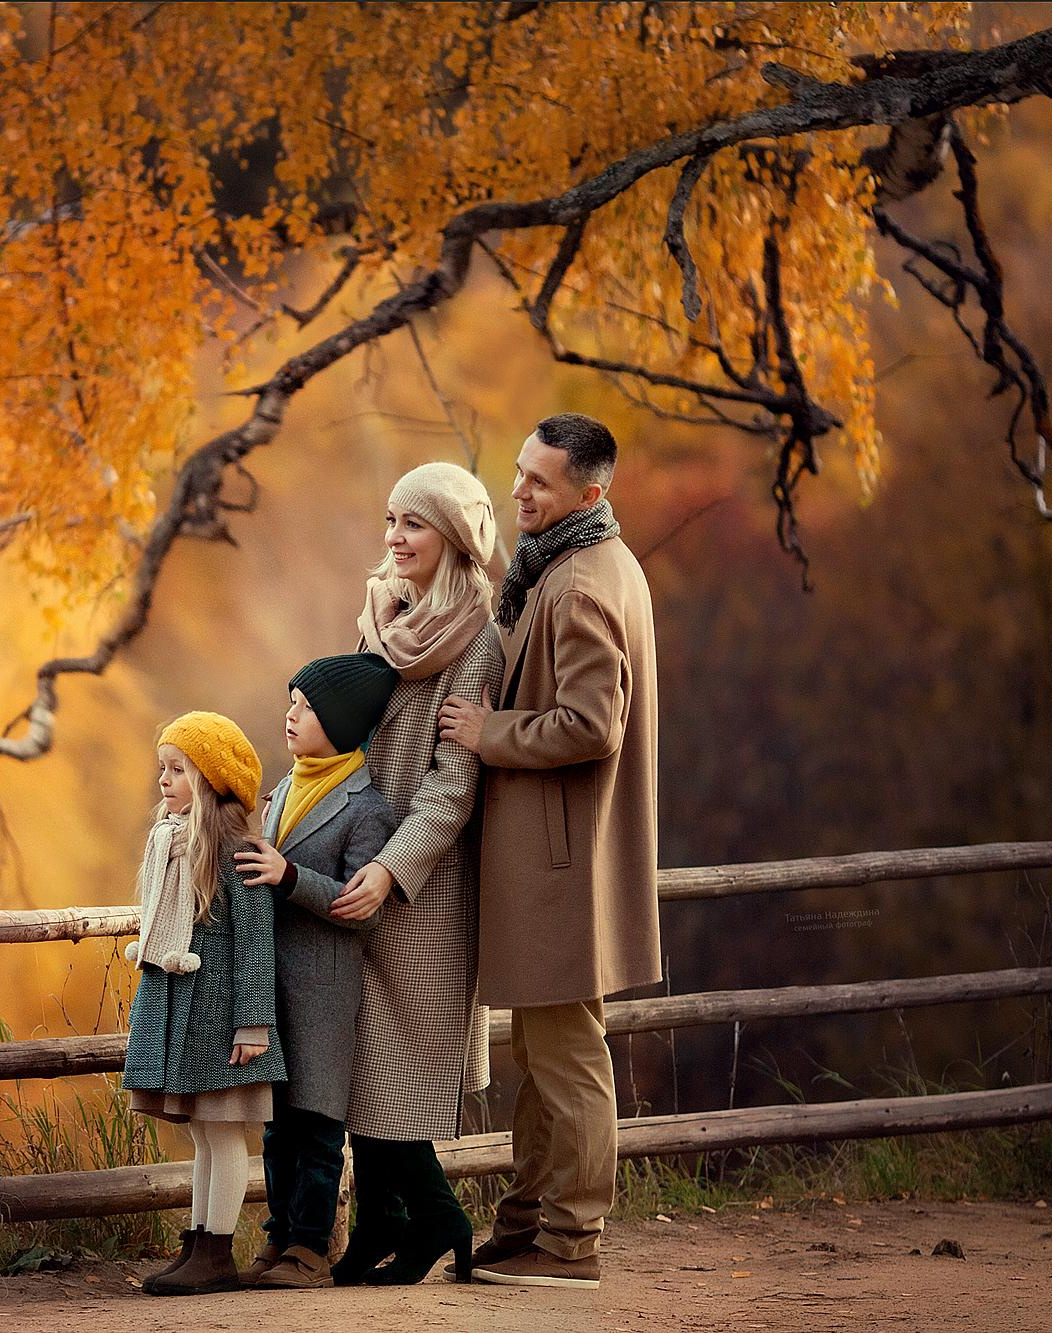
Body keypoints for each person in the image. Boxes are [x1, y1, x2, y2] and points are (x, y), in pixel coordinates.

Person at [437, 412, 661, 1289]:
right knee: (544, 1050)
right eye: (519, 472)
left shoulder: (575, 587)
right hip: (565, 860)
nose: (519, 490)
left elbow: (591, 725)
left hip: (558, 864)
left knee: (566, 1055)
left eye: (540, 481)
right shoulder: (586, 564)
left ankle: (572, 1241)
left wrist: (488, 731)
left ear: (589, 493)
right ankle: (529, 1220)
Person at [329, 462, 505, 1285]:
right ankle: (383, 1225)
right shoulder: (380, 617)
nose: (394, 538)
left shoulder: (478, 641)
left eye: (414, 524)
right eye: (391, 519)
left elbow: (451, 783)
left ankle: (436, 1216)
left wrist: (393, 871)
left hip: (420, 879)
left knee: (395, 1057)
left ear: (453, 538)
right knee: (359, 1052)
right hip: (353, 849)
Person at [232, 653, 401, 1289]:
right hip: (272, 981)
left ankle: (310, 1246)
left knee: (318, 1122)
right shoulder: (285, 786)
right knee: (276, 1119)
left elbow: (362, 913)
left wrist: (291, 876)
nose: (291, 714)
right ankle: (278, 1237)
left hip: (326, 989)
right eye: (291, 701)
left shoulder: (367, 806)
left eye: (304, 706)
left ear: (339, 719)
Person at [121, 711, 283, 1297]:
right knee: (201, 1134)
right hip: (184, 1013)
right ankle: (198, 1238)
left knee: (224, 1133)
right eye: (161, 769)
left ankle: (217, 1251)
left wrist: (255, 1023)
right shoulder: (170, 845)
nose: (163, 780)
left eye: (177, 770)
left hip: (226, 1024)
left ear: (212, 781)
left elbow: (255, 943)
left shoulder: (237, 853)